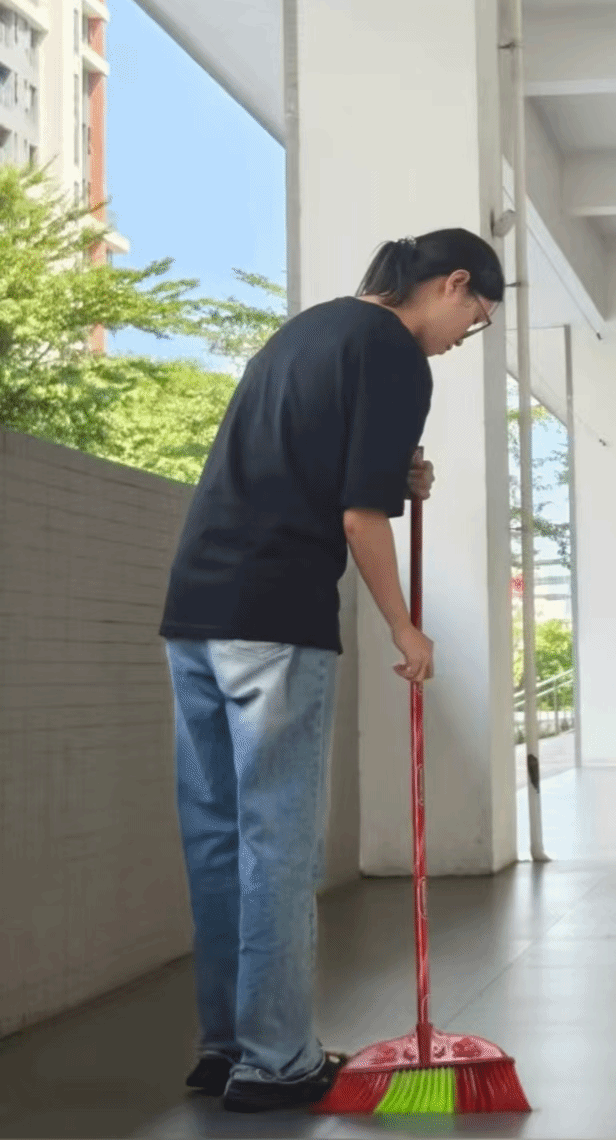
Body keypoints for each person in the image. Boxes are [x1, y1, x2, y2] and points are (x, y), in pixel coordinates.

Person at [159, 229, 504, 1113]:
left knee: (218, 840)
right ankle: (277, 1062)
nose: (463, 338)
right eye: (474, 318)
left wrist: (396, 476)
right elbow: (358, 518)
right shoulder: (394, 354)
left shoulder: (304, 332)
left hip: (195, 611)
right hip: (275, 615)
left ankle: (227, 1047)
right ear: (452, 283)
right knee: (276, 841)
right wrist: (405, 626)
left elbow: (320, 468)